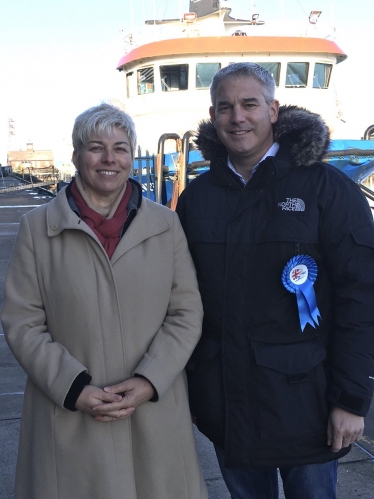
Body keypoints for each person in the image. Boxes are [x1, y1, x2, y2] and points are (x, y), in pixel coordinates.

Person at [176, 63, 374, 499]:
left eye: (250, 104)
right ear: (213, 115)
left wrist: (350, 400)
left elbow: (361, 296)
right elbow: (180, 300)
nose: (237, 117)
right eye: (225, 107)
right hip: (225, 401)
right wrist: (190, 388)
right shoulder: (198, 199)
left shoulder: (327, 189)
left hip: (308, 402)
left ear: (273, 110)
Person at [2, 103, 207, 499]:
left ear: (132, 156)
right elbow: (22, 321)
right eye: (96, 147)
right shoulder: (36, 228)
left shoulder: (167, 225)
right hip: (69, 413)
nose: (109, 158)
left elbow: (185, 312)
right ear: (76, 155)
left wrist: (150, 379)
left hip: (152, 412)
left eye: (121, 147)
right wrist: (73, 386)